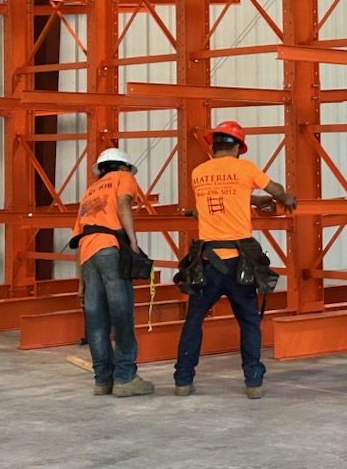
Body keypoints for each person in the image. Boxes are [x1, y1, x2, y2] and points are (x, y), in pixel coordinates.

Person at [173, 121, 297, 400]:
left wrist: (253, 201)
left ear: (214, 145)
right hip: (239, 264)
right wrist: (285, 198)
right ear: (239, 148)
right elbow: (276, 190)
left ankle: (183, 381)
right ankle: (253, 382)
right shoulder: (246, 169)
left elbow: (222, 196)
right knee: (249, 322)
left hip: (207, 262)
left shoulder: (198, 173)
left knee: (193, 322)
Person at [71, 147, 154, 396]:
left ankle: (103, 380)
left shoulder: (88, 194)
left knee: (95, 321)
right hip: (110, 249)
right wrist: (133, 241)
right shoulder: (123, 177)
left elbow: (78, 237)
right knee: (121, 314)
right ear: (123, 167)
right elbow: (123, 202)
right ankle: (125, 378)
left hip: (88, 255)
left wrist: (81, 283)